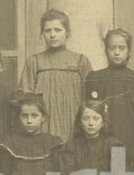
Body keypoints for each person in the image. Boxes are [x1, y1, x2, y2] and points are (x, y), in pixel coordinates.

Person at [19, 8, 93, 141]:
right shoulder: (34, 61)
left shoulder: (80, 61)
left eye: (58, 30)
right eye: (47, 30)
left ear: (68, 33)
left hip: (73, 123)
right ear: (42, 33)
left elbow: (89, 99)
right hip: (44, 126)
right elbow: (27, 99)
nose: (52, 35)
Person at [0, 92, 64, 175]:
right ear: (18, 117)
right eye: (24, 116)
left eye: (34, 115)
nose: (29, 120)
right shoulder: (9, 144)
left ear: (43, 118)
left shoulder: (53, 144)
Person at [83, 28, 134, 155]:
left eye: (121, 48)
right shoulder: (95, 77)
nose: (117, 52)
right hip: (101, 140)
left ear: (129, 50)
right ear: (106, 50)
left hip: (130, 138)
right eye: (112, 48)